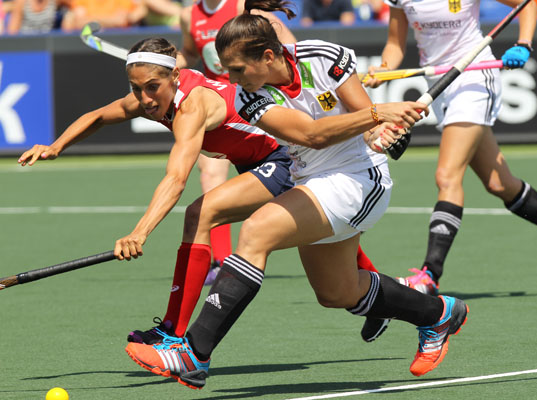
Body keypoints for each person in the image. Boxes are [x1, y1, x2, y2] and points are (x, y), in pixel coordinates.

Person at [124, 0, 470, 390]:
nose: (232, 79)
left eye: (237, 69)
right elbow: (311, 135)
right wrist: (378, 115)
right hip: (310, 181)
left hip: (359, 179)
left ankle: (193, 353)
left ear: (267, 56)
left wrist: (381, 131)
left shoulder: (324, 56)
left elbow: (365, 117)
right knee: (337, 292)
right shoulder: (247, 97)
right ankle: (438, 314)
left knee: (256, 231)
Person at [17, 35, 392, 349]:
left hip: (282, 158)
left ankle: (172, 333)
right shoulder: (149, 98)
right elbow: (98, 116)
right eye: (136, 89)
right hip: (257, 163)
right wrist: (56, 146)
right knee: (326, 243)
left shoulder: (192, 107)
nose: (145, 99)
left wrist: (140, 232)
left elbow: (176, 179)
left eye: (152, 87)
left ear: (174, 76)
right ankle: (381, 301)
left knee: (201, 213)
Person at [362, 0, 537, 297]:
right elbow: (395, 44)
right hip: (439, 84)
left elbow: (526, 5)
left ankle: (430, 275)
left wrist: (524, 44)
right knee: (499, 183)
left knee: (447, 176)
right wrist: (384, 69)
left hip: (474, 77)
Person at [178, 0, 297, 284]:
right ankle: (222, 261)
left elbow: (291, 49)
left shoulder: (242, 7)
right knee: (210, 177)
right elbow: (190, 54)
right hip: (217, 109)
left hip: (256, 103)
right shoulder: (188, 15)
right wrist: (161, 67)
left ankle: (359, 267)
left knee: (304, 187)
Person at [61, 0, 147, 30]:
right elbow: (79, 23)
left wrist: (90, 19)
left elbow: (121, 21)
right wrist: (111, 20)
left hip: (119, 43)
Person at [6, 0, 70, 34]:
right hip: (26, 43)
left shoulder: (54, 1)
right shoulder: (21, 2)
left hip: (47, 43)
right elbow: (12, 31)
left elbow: (73, 5)